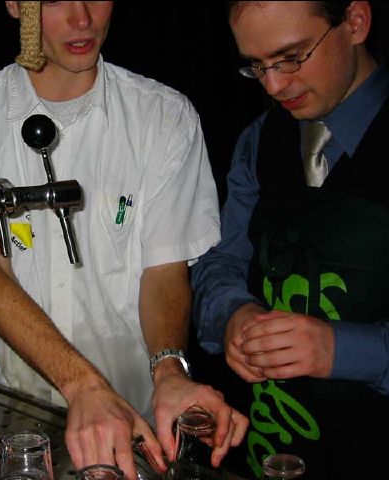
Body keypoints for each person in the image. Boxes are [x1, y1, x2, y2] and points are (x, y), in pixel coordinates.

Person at [0, 1, 248, 478]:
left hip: (132, 424)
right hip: (15, 423)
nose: (82, 19)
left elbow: (163, 268)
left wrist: (169, 370)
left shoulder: (163, 116)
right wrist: (84, 386)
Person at [192, 1, 389, 479]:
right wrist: (234, 314)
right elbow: (218, 263)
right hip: (268, 449)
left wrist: (342, 349)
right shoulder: (258, 139)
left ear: (355, 22)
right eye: (257, 66)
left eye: (292, 57)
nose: (274, 86)